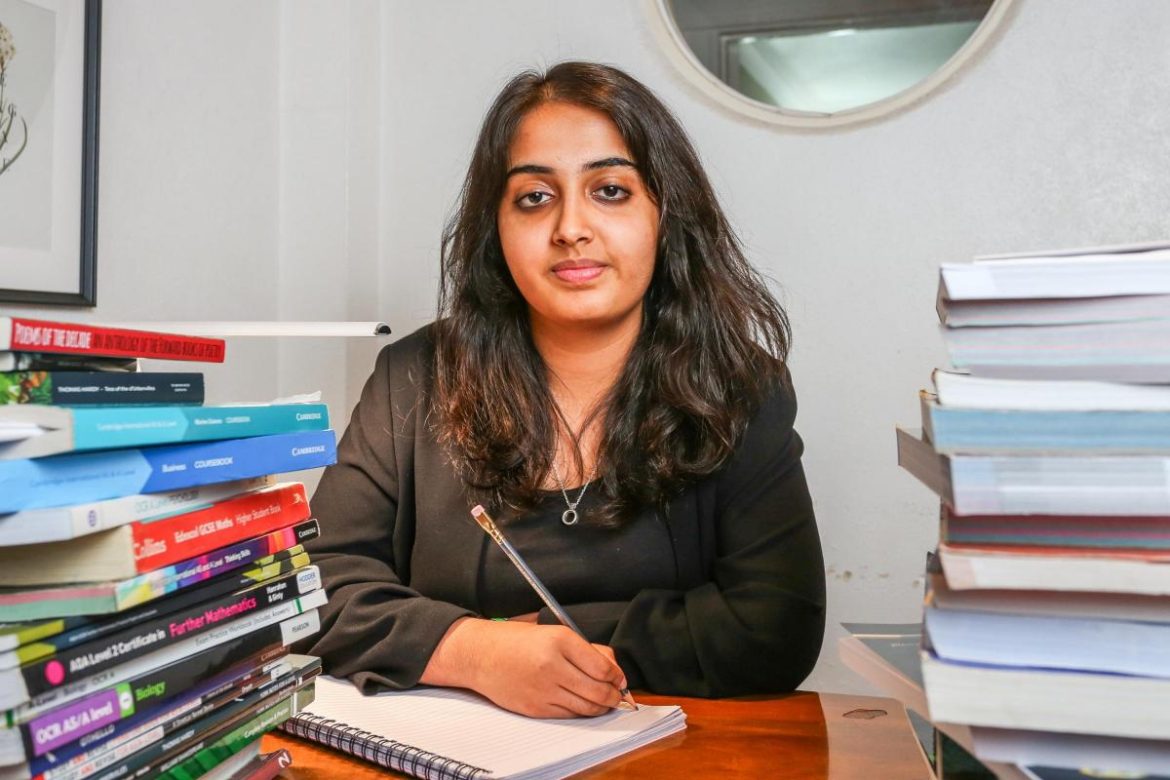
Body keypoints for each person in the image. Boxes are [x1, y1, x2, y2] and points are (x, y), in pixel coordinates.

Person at [300, 61, 825, 718]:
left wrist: (555, 643)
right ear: (496, 227)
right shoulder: (413, 377)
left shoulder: (741, 389)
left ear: (667, 214)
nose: (571, 227)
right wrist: (475, 653)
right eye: (534, 197)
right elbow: (309, 585)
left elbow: (774, 626)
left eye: (609, 190)